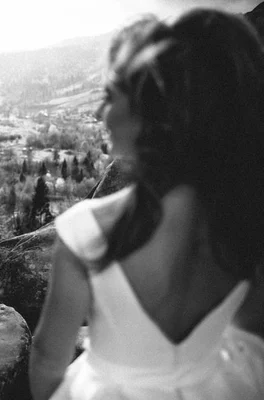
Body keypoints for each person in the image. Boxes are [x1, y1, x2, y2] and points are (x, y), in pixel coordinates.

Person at [30, 8, 264, 400]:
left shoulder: (88, 231)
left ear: (148, 113)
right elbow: (250, 331)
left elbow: (48, 358)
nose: (98, 112)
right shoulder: (246, 222)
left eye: (109, 96)